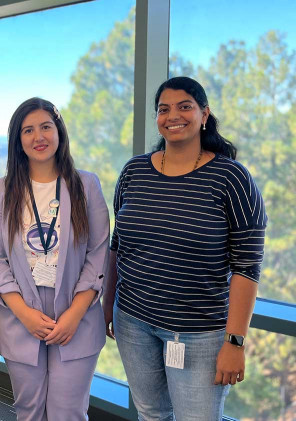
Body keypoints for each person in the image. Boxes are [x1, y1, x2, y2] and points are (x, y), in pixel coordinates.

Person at [102, 76, 267, 420]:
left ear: (204, 115)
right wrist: (107, 307)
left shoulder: (232, 179)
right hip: (133, 321)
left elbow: (247, 267)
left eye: (185, 106)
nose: (173, 115)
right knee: (150, 413)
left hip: (200, 333)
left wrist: (235, 342)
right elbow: (118, 245)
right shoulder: (134, 171)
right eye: (164, 109)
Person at [0, 97, 110, 420]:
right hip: (20, 313)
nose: (38, 137)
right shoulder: (2, 189)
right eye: (28, 130)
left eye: (45, 127)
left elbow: (98, 252)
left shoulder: (86, 185)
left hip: (76, 313)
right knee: (29, 411)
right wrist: (23, 312)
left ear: (59, 132)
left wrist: (75, 314)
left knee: (68, 412)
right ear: (17, 140)